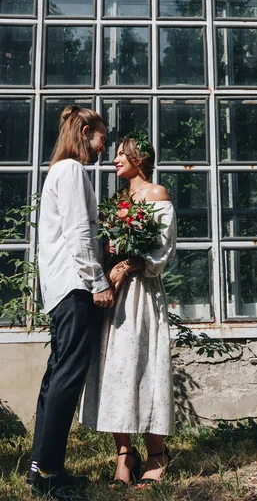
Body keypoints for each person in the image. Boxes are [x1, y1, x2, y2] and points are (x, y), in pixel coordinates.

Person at [79, 133, 176, 488]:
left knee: (142, 366)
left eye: (122, 154)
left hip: (140, 294)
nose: (115, 159)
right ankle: (124, 453)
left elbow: (163, 251)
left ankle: (157, 453)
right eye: (116, 153)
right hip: (113, 296)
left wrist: (128, 266)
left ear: (140, 158)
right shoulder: (119, 200)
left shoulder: (157, 194)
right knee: (113, 369)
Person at [30, 106, 114, 500]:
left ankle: (40, 468)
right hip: (76, 287)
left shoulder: (58, 173)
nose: (104, 147)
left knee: (56, 377)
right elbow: (79, 233)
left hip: (60, 288)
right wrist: (98, 282)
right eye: (102, 137)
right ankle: (49, 475)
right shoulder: (72, 171)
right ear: (85, 131)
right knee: (67, 378)